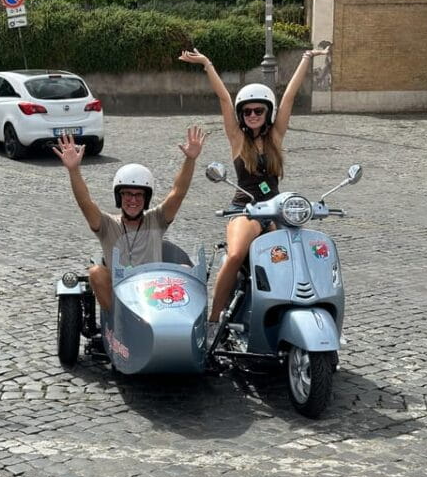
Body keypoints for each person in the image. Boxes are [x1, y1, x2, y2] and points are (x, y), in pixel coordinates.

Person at [179, 46, 330, 333]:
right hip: (244, 210)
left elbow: (289, 97)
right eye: (247, 111)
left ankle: (299, 314)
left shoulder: (275, 136)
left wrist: (306, 60)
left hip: (275, 211)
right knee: (235, 255)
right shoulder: (237, 139)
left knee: (296, 259)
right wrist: (207, 64)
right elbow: (224, 97)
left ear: (267, 112)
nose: (252, 114)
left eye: (258, 110)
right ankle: (213, 320)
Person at [53, 126, 207, 311]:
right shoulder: (107, 225)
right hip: (119, 300)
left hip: (153, 296)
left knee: (185, 269)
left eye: (138, 195)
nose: (132, 200)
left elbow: (178, 193)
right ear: (119, 197)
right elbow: (85, 202)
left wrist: (190, 159)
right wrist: (74, 170)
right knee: (96, 272)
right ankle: (119, 323)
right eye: (127, 194)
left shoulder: (156, 220)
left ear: (146, 198)